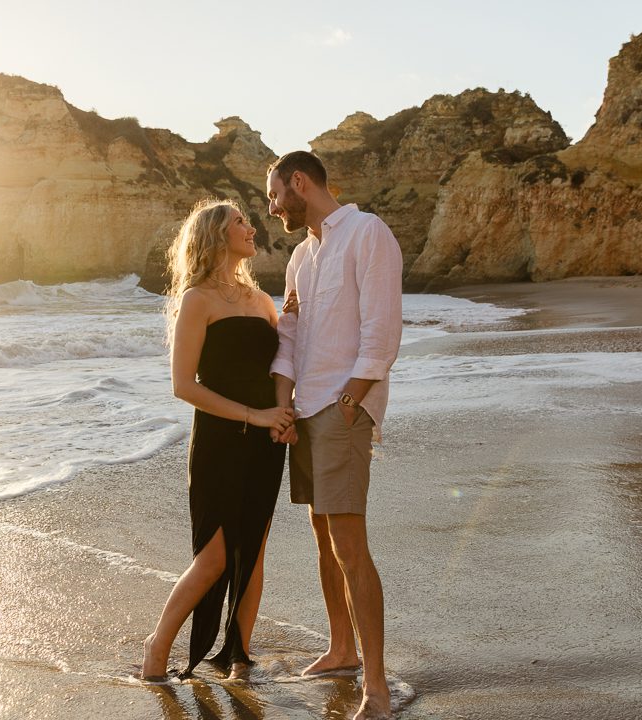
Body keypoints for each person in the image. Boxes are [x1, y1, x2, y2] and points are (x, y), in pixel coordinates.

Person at [266, 151, 404, 720]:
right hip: (304, 410)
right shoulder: (302, 254)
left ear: (300, 182)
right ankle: (341, 648)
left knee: (350, 546)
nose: (272, 208)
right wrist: (282, 406)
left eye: (275, 195)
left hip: (343, 409)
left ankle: (376, 686)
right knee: (324, 540)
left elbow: (382, 327)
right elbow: (291, 335)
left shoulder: (367, 232)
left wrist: (351, 400)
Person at [141, 198, 293, 682]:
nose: (251, 228)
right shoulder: (197, 300)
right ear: (215, 237)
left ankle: (239, 657)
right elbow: (184, 385)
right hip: (219, 443)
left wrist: (282, 415)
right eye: (240, 223)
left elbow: (278, 366)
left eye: (248, 221)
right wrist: (255, 414)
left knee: (254, 550)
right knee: (214, 557)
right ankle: (156, 645)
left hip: (266, 440)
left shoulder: (262, 301)